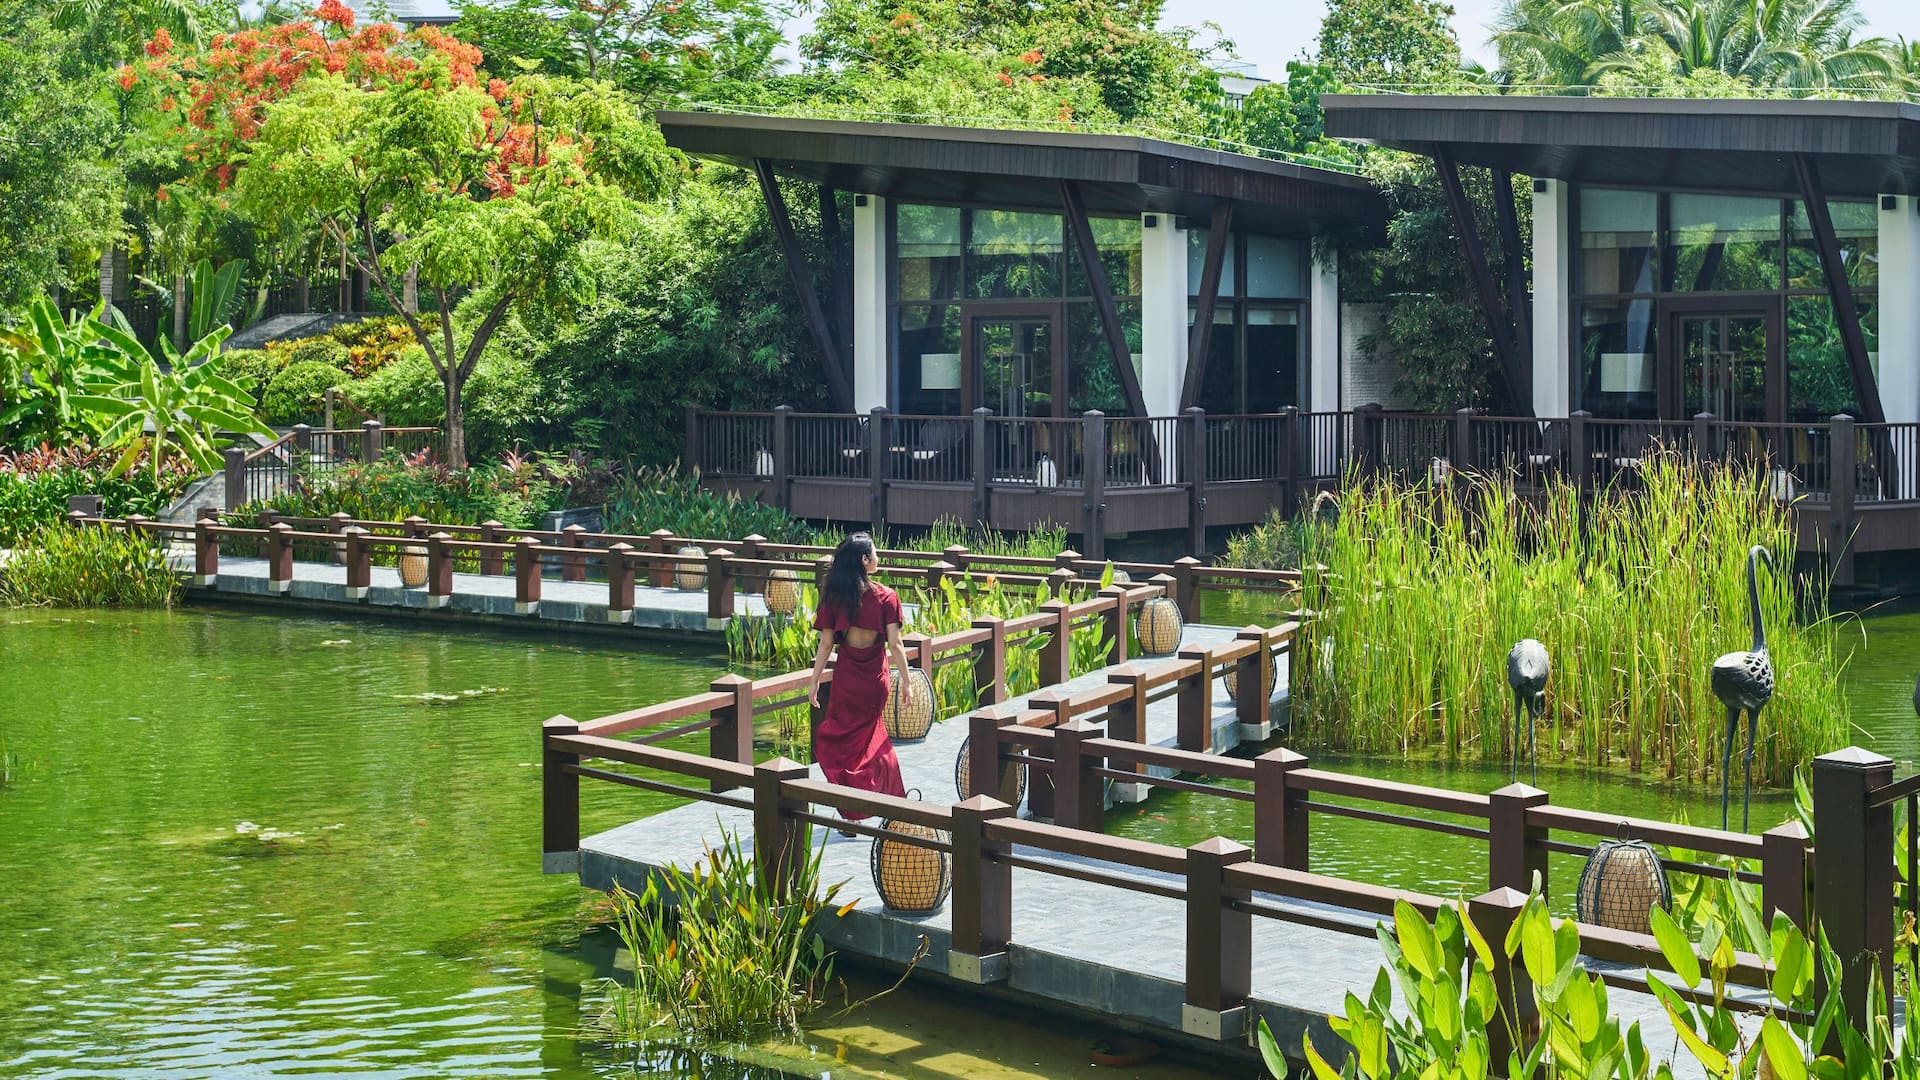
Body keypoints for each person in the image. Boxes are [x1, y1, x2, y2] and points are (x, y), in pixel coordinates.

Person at [807, 533, 910, 835]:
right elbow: (896, 643)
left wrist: (814, 683)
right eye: (874, 553)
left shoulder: (834, 598)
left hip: (847, 679)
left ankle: (851, 815)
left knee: (841, 743)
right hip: (875, 680)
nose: (878, 558)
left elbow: (825, 645)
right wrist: (906, 680)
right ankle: (893, 804)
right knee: (873, 743)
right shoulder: (886, 596)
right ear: (865, 561)